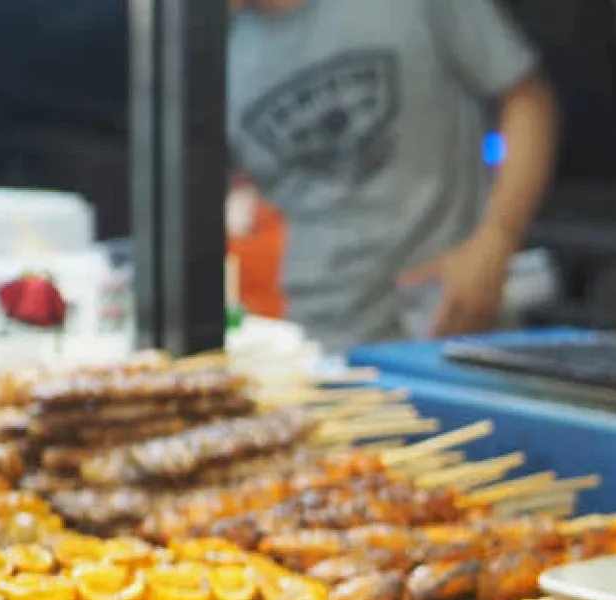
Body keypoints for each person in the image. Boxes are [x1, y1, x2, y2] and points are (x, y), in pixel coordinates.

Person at [228, 0, 558, 351]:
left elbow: (527, 99)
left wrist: (496, 240)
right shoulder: (216, 52)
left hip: (451, 324)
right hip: (316, 342)